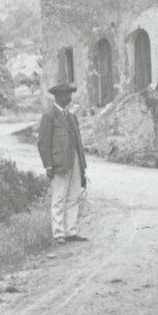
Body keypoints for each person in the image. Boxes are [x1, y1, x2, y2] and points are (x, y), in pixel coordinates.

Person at [38, 81, 88, 243]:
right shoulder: (49, 116)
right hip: (59, 163)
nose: (70, 98)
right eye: (67, 95)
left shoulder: (71, 117)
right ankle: (58, 233)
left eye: (70, 94)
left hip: (74, 161)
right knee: (59, 198)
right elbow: (43, 143)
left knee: (74, 196)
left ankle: (70, 231)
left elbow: (78, 142)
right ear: (59, 97)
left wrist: (82, 164)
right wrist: (48, 165)